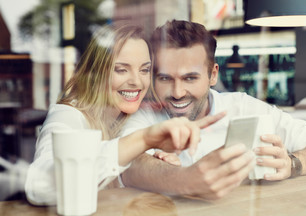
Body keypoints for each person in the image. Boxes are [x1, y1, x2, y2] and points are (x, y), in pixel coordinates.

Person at [119, 20, 306, 200]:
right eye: (165, 78)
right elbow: (129, 165)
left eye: (190, 78)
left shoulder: (244, 106)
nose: (178, 92)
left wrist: (293, 164)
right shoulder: (144, 114)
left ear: (213, 75)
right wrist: (187, 179)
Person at [24, 24, 225, 205]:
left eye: (145, 70)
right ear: (95, 73)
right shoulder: (68, 114)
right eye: (121, 70)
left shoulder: (140, 115)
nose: (137, 82)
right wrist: (143, 141)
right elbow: (39, 185)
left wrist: (157, 163)